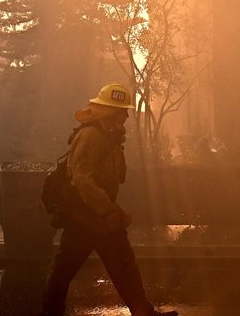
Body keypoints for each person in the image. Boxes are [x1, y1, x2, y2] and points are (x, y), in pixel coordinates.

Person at [40, 83, 177, 316]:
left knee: (123, 264)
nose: (125, 116)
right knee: (66, 269)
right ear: (108, 111)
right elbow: (82, 179)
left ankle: (142, 311)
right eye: (121, 111)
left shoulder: (108, 135)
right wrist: (109, 210)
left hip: (98, 214)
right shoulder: (92, 135)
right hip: (85, 215)